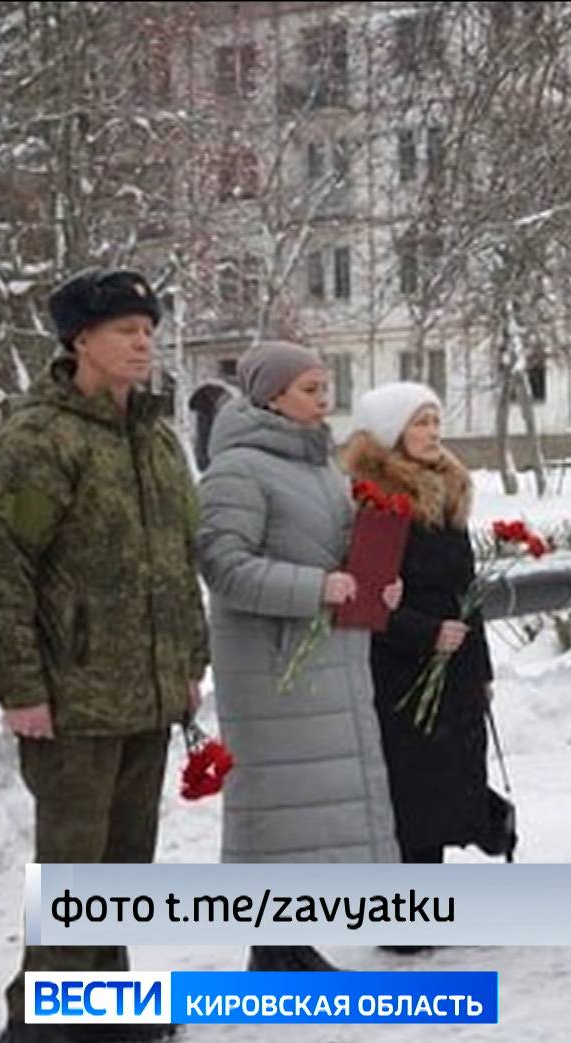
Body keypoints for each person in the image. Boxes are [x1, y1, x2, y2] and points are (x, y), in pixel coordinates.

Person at [0, 267, 209, 1043]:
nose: (144, 342)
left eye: (149, 328)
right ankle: (31, 1017)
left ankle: (97, 1000)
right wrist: (20, 688)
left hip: (146, 687)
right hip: (71, 693)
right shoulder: (40, 441)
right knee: (73, 860)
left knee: (125, 858)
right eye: (125, 331)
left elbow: (175, 561)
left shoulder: (154, 439)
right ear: (79, 343)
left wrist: (187, 665)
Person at [194, 342, 403, 972]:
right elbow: (224, 566)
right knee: (279, 802)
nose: (325, 398)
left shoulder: (320, 467)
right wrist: (315, 588)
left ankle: (291, 941)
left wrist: (380, 581)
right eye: (310, 388)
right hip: (272, 664)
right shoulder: (237, 470)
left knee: (313, 805)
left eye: (325, 386)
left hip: (326, 656)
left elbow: (340, 551)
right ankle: (275, 946)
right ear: (271, 396)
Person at [340, 382, 499, 952]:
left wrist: (479, 669)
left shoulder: (449, 491)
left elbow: (467, 592)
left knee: (441, 786)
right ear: (390, 434)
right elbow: (368, 603)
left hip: (452, 664)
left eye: (435, 421)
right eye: (419, 423)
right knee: (410, 792)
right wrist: (426, 632)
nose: (432, 433)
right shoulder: (380, 500)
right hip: (402, 670)